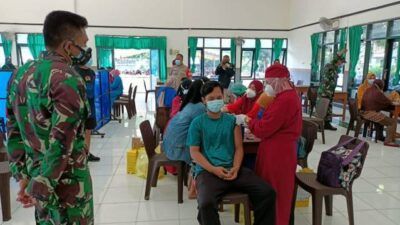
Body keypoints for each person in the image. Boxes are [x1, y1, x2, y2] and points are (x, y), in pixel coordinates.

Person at [6, 10, 94, 224]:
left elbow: (13, 129)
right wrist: (40, 187)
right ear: (67, 46)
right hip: (68, 187)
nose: (84, 51)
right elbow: (62, 143)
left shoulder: (20, 74)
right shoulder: (67, 78)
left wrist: (24, 177)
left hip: (36, 177)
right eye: (82, 45)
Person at [188, 81, 276, 225]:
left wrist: (235, 168)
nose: (216, 101)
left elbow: (238, 148)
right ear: (203, 100)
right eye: (211, 99)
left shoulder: (231, 121)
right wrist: (214, 169)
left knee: (267, 193)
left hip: (233, 169)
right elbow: (194, 153)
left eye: (218, 97)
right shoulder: (197, 123)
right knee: (206, 204)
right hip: (208, 171)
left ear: (223, 97)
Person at [247, 64, 302, 225]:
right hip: (274, 149)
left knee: (276, 192)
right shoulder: (283, 97)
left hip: (279, 154)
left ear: (280, 80)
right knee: (270, 190)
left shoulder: (286, 100)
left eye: (269, 82)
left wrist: (250, 122)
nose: (267, 86)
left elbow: (264, 128)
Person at [74, 55, 101, 162]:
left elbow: (90, 90)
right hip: (78, 106)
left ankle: (87, 153)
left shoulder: (91, 72)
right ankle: (77, 155)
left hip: (90, 105)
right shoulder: (74, 71)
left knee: (88, 130)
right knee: (78, 131)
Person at [361, 79, 399, 147]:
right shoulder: (377, 92)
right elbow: (387, 101)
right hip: (370, 114)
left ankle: (379, 136)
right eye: (383, 85)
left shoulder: (368, 90)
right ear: (380, 85)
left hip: (363, 112)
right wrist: (392, 101)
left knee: (382, 117)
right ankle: (388, 141)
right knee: (392, 122)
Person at [317, 49, 347, 130]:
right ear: (338, 61)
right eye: (342, 62)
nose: (342, 64)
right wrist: (341, 53)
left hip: (329, 92)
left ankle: (327, 124)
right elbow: (336, 57)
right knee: (322, 108)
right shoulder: (330, 66)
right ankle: (319, 124)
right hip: (324, 91)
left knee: (329, 108)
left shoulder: (335, 69)